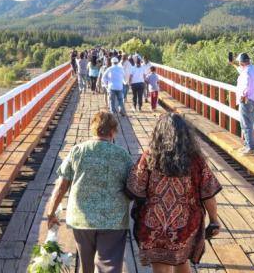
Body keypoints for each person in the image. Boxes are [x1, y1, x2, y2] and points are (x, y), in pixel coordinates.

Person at [126, 113, 222, 271]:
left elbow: (135, 187)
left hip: (154, 224)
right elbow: (208, 193)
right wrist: (214, 220)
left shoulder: (150, 156)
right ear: (186, 134)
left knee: (161, 268)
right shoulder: (196, 159)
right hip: (185, 225)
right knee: (182, 261)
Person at [48, 111, 134, 273]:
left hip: (82, 219)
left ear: (93, 129)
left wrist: (51, 212)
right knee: (108, 267)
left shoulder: (77, 151)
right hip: (113, 220)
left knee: (86, 266)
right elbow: (134, 185)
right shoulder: (123, 155)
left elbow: (62, 185)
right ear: (113, 132)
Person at [229, 52, 254, 155]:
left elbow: (247, 85)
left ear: (242, 62)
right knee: (249, 123)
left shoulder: (246, 73)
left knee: (245, 124)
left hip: (245, 100)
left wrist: (243, 95)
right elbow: (240, 70)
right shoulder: (253, 69)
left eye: (239, 62)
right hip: (252, 99)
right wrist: (233, 63)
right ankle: (248, 146)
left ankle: (250, 148)